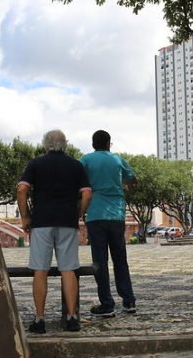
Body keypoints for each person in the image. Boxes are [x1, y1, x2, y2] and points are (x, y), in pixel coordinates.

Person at [16, 130, 92, 334]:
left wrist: (25, 216)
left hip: (41, 222)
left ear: (45, 144)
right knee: (68, 270)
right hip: (67, 221)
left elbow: (22, 189)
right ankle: (72, 317)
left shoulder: (36, 164)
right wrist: (79, 213)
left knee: (40, 270)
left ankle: (40, 320)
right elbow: (86, 193)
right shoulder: (75, 165)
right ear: (65, 144)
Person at [79, 130, 138, 317]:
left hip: (96, 214)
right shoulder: (118, 160)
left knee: (100, 261)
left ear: (93, 144)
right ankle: (128, 300)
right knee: (120, 259)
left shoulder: (85, 160)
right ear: (108, 143)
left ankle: (107, 303)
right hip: (117, 214)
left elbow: (76, 179)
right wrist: (121, 181)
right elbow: (133, 179)